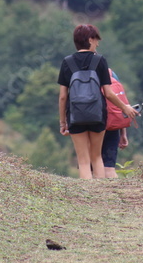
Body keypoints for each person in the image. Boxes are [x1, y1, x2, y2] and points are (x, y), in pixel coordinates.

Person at [58, 24, 138, 179]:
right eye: (96, 40)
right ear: (89, 39)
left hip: (75, 116)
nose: (98, 43)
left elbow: (62, 96)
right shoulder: (100, 61)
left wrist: (63, 122)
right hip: (97, 115)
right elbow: (108, 93)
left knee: (83, 160)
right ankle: (100, 196)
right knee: (97, 157)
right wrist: (124, 108)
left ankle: (87, 197)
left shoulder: (67, 62)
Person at [101, 68, 131, 178]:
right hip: (112, 124)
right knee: (109, 167)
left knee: (90, 166)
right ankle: (113, 193)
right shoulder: (110, 73)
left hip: (89, 124)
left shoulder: (77, 72)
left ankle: (92, 193)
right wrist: (123, 134)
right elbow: (119, 104)